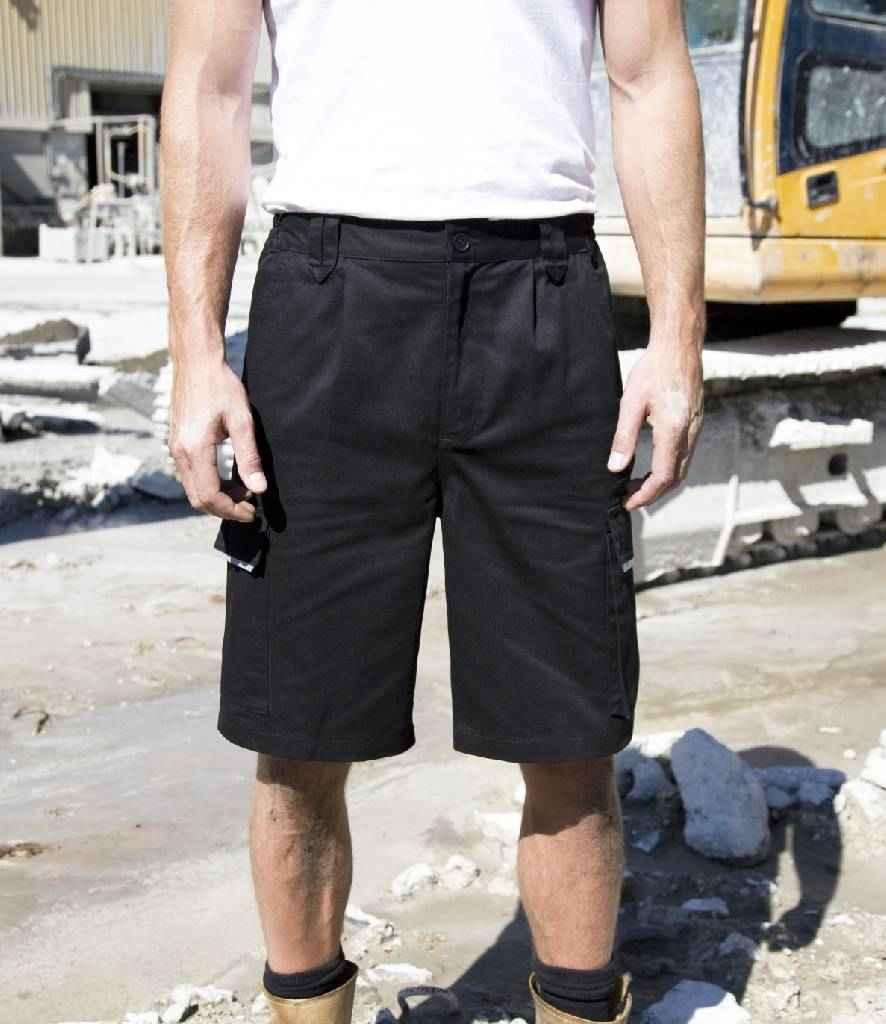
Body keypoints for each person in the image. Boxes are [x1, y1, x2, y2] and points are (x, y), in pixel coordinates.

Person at [160, 1, 705, 1021]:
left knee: (568, 728)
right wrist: (195, 355)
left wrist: (678, 336)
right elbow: (208, 88)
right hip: (328, 298)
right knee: (300, 730)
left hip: (543, 293)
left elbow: (649, 76)